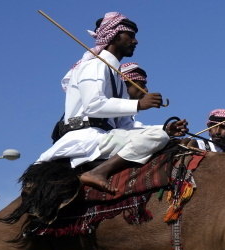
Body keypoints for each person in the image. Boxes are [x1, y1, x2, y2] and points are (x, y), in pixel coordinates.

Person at [38, 12, 188, 193]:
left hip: (106, 136)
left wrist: (165, 129)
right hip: (86, 137)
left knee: (160, 135)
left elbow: (125, 125)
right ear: (115, 36)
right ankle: (98, 172)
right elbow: (93, 105)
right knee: (158, 138)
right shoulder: (94, 65)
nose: (135, 41)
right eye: (130, 36)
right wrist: (139, 105)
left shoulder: (115, 74)